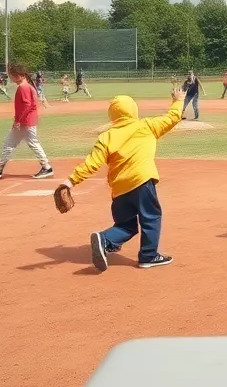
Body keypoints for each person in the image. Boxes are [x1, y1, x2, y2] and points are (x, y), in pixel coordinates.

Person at [76, 91, 184, 271]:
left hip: (119, 189)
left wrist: (70, 182)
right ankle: (148, 256)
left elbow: (91, 163)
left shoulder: (106, 136)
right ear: (133, 110)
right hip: (142, 181)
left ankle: (106, 239)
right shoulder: (146, 126)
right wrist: (178, 101)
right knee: (151, 217)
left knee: (126, 225)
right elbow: (173, 117)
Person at [0, 63, 54, 180]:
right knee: (14, 144)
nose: (10, 77)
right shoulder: (27, 86)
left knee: (21, 144)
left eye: (11, 75)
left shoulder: (23, 87)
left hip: (25, 122)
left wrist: (18, 121)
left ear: (17, 75)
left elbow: (27, 105)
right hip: (27, 121)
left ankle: (46, 167)